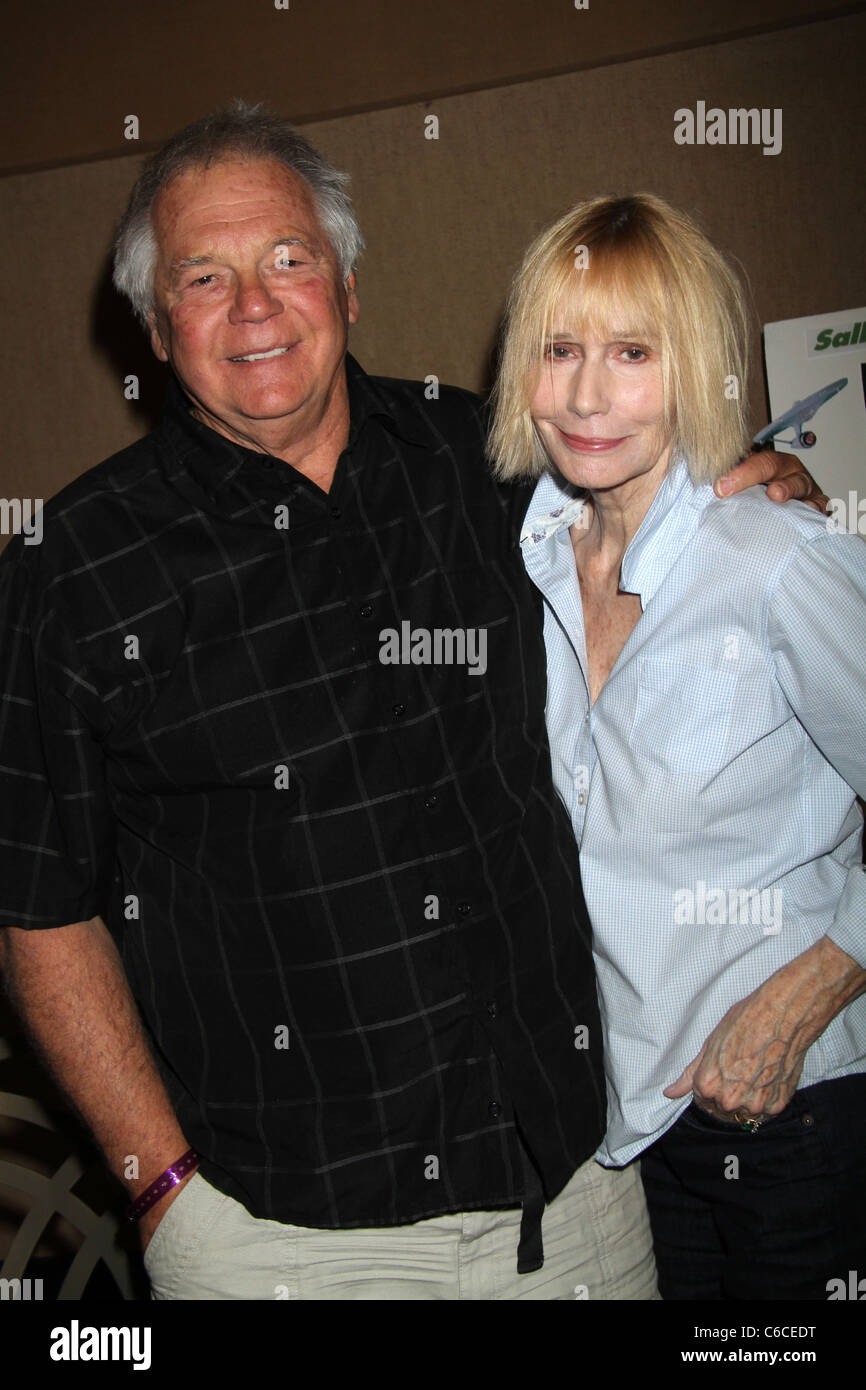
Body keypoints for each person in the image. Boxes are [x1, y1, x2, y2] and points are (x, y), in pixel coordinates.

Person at [0, 107, 818, 1301]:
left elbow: (690, 557)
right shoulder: (69, 571)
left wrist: (760, 484)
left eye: (288, 259)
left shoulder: (497, 466)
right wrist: (163, 1187)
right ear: (154, 321)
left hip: (578, 1201)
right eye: (202, 276)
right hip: (288, 1244)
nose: (255, 306)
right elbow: (38, 909)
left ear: (346, 281)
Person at [490, 191, 866, 1300]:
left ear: (693, 364)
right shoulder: (525, 563)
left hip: (797, 1108)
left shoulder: (770, 557)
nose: (587, 393)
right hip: (637, 1123)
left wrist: (804, 995)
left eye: (631, 351)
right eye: (559, 349)